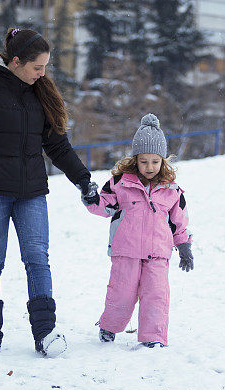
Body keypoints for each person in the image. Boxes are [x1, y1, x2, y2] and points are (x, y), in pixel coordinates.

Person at [0, 28, 99, 355]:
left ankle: (45, 335)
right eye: (37, 67)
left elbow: (57, 145)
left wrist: (83, 179)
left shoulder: (38, 93)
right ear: (16, 62)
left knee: (37, 259)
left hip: (31, 192)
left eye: (46, 67)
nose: (43, 74)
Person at [83, 114, 194, 348]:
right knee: (121, 293)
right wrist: (91, 198)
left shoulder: (172, 191)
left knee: (156, 296)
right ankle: (109, 327)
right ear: (135, 160)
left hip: (158, 254)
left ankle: (152, 337)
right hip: (126, 252)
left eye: (155, 161)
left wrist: (184, 246)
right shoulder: (119, 183)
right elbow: (104, 207)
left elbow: (178, 223)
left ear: (163, 161)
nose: (149, 167)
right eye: (143, 161)